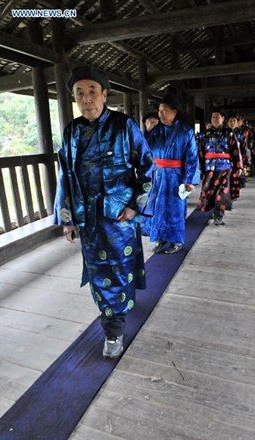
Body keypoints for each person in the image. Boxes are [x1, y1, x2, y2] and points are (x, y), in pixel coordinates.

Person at [53, 65, 154, 358]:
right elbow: (65, 177)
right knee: (99, 273)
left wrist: (135, 207)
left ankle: (113, 331)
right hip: (87, 217)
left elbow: (148, 169)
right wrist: (67, 219)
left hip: (119, 216)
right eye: (80, 93)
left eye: (92, 91)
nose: (87, 99)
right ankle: (114, 318)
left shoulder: (124, 126)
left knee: (120, 269)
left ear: (105, 94)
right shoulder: (72, 131)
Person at [142, 94, 198, 254]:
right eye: (159, 110)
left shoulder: (185, 131)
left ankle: (176, 241)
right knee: (156, 207)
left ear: (174, 111)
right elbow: (144, 149)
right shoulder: (156, 130)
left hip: (176, 176)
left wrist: (189, 181)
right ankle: (160, 239)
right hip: (157, 175)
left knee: (174, 209)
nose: (160, 114)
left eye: (164, 110)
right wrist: (147, 132)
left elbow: (192, 158)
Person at [197, 109, 243, 225]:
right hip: (209, 168)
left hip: (225, 168)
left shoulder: (229, 133)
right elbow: (200, 153)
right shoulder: (204, 135)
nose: (215, 120)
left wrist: (239, 167)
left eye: (217, 117)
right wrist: (200, 169)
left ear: (223, 119)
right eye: (213, 117)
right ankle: (210, 212)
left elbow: (235, 152)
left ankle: (219, 216)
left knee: (223, 192)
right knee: (209, 192)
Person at [227, 114, 246, 202]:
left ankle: (232, 196)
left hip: (237, 160)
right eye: (230, 121)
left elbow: (243, 150)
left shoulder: (241, 134)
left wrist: (244, 165)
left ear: (237, 123)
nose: (232, 123)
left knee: (234, 178)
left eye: (234, 121)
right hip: (225, 160)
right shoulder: (224, 132)